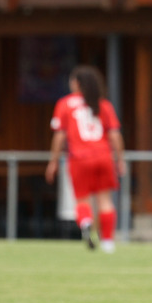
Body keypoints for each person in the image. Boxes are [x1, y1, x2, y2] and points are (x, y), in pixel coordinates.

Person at [45, 65, 127, 253]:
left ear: (76, 83)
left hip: (79, 159)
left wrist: (53, 161)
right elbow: (115, 135)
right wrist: (119, 159)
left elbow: (59, 136)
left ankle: (87, 222)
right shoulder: (102, 104)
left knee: (82, 201)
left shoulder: (65, 104)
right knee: (105, 200)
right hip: (104, 156)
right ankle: (108, 243)